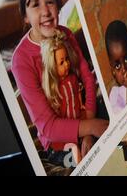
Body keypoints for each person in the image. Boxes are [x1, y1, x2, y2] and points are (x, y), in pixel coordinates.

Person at [12, 0, 108, 168]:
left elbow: (88, 78)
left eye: (50, 2)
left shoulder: (65, 34)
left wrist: (88, 131)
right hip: (58, 143)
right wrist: (90, 127)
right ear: (25, 17)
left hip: (84, 118)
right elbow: (47, 126)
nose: (45, 11)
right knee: (78, 162)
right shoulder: (21, 60)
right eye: (35, 5)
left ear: (57, 5)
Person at [41, 30, 85, 165]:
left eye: (66, 59)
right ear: (52, 67)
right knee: (73, 150)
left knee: (82, 144)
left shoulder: (72, 78)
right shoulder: (55, 89)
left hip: (77, 121)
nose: (66, 64)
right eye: (61, 62)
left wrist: (81, 103)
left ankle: (73, 156)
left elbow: (77, 91)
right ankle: (69, 156)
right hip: (63, 134)